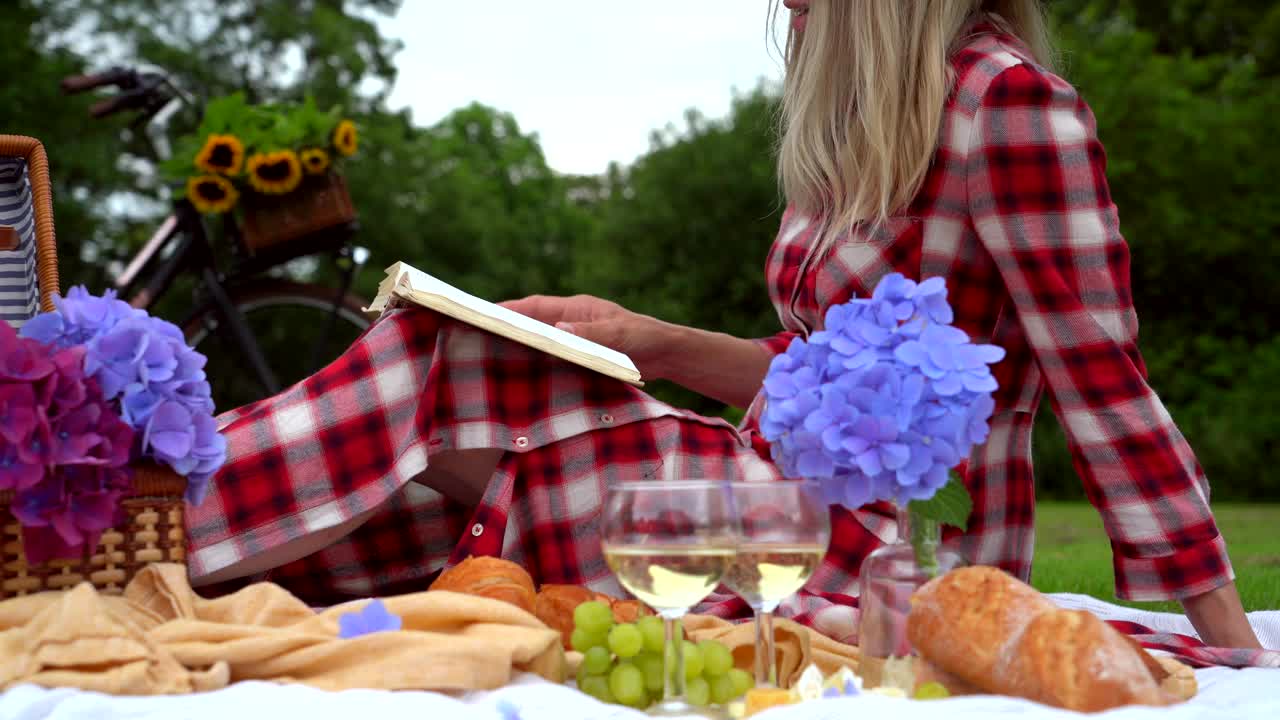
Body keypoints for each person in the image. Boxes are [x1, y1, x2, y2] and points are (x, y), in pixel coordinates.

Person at [186, 0, 1260, 650]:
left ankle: (132, 512)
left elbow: (1101, 383)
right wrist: (638, 336)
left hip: (884, 551)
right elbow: (806, 379)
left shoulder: (1011, 107)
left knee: (450, 361)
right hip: (766, 495)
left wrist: (1228, 638)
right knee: (446, 442)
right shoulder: (868, 123)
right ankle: (170, 576)